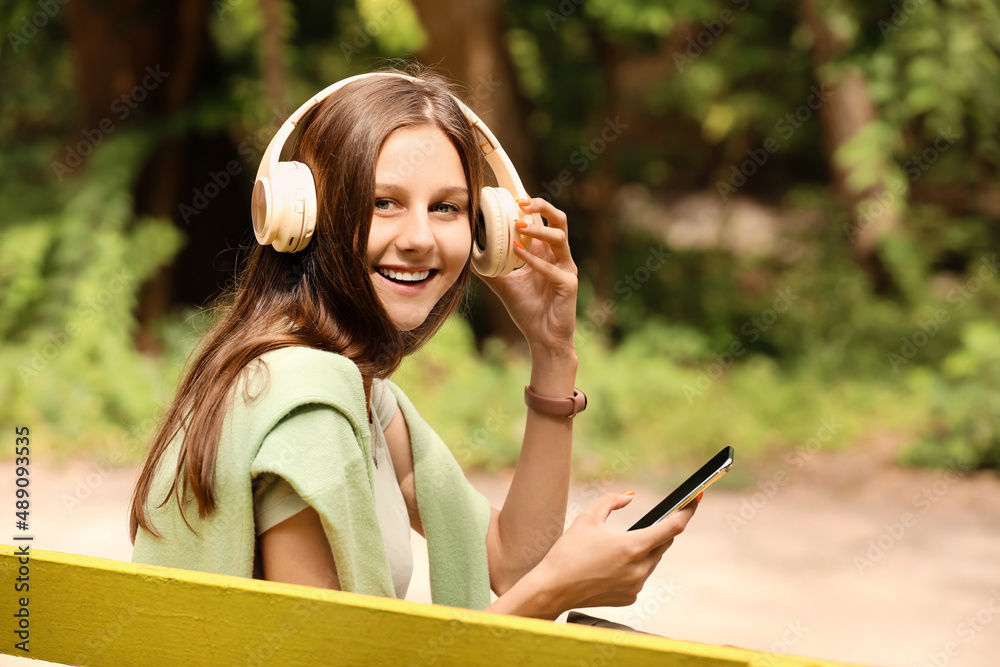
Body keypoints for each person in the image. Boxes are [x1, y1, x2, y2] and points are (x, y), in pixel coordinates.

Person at [129, 67, 697, 620]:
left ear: (486, 229)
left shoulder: (353, 392)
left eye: (446, 207)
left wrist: (552, 352)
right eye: (384, 203)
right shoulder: (306, 411)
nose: (421, 239)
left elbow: (511, 557)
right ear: (303, 215)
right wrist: (553, 592)